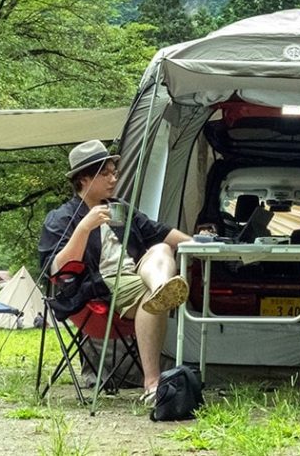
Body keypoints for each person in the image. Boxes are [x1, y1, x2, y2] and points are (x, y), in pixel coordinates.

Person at [38, 139, 190, 403]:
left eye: (114, 172)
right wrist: (84, 228)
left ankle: (160, 289)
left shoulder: (117, 209)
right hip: (98, 288)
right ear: (83, 179)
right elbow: (57, 268)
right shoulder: (62, 218)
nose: (113, 179)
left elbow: (160, 231)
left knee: (162, 250)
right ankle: (152, 381)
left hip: (138, 274)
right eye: (105, 173)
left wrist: (202, 243)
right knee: (148, 296)